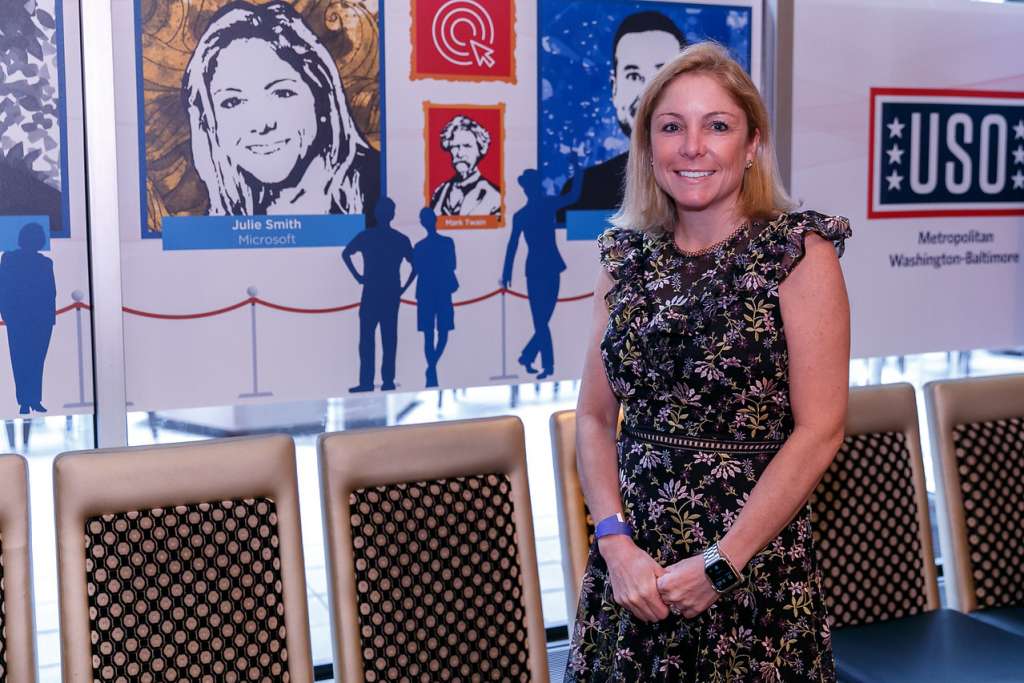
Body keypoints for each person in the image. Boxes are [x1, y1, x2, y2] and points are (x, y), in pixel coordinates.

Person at [566, 42, 851, 681]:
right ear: (648, 146)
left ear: (752, 143)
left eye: (717, 126)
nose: (692, 147)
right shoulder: (625, 259)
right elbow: (592, 418)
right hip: (632, 580)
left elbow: (821, 429)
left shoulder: (798, 253)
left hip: (752, 577)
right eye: (672, 127)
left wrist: (721, 564)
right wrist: (614, 543)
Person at [183, 1, 379, 218]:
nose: (262, 125)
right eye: (232, 102)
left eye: (282, 93)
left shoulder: (382, 190)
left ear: (321, 95)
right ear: (207, 124)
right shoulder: (222, 217)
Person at [558, 11, 687, 223]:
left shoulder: (709, 186)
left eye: (661, 75)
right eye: (633, 76)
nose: (646, 94)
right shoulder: (583, 194)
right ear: (614, 89)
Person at [501, 168, 581, 380]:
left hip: (549, 267)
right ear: (527, 189)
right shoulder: (522, 215)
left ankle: (528, 356)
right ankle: (547, 365)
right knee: (541, 321)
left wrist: (578, 169)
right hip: (538, 270)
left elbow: (573, 196)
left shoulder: (546, 205)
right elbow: (512, 244)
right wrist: (506, 271)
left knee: (542, 320)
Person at [342, 197, 414, 392]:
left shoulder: (367, 236)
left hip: (372, 292)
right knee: (389, 339)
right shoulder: (400, 239)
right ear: (392, 214)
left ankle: (367, 382)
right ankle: (387, 381)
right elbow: (415, 266)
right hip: (390, 293)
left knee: (367, 340)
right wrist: (403, 288)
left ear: (376, 213)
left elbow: (346, 254)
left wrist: (358, 276)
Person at [0, 222, 56, 414]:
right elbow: (4, 288)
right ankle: (27, 400)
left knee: (29, 360)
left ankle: (30, 400)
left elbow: (51, 292)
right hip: (25, 318)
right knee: (28, 360)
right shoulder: (11, 259)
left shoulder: (41, 262)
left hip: (34, 319)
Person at [412, 208, 458, 388]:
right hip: (441, 290)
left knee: (429, 335)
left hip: (426, 291)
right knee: (441, 333)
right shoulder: (447, 243)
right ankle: (431, 367)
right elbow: (452, 265)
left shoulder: (420, 247)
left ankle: (431, 367)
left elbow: (417, 269)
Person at [430, 115, 502, 218]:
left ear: (480, 149)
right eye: (455, 146)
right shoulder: (440, 191)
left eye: (467, 146)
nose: (460, 153)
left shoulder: (495, 196)